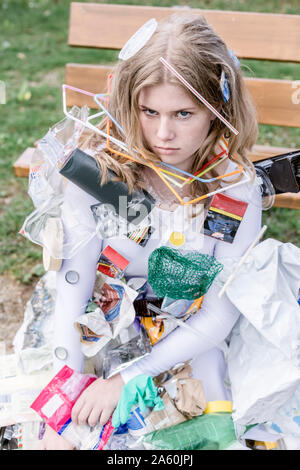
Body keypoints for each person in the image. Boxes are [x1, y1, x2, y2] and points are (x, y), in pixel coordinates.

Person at [40, 14, 261, 449]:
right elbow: (74, 285)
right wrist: (64, 391)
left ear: (218, 110)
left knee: (192, 440)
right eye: (149, 111)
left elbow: (219, 312)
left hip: (192, 338)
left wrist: (128, 380)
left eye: (184, 113)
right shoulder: (97, 174)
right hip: (100, 332)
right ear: (128, 103)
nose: (164, 134)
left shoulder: (234, 188)